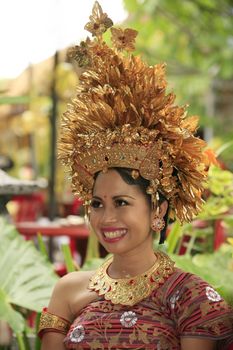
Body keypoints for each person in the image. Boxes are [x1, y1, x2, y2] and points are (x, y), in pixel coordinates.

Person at [38, 2, 233, 349]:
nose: (106, 217)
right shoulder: (68, 291)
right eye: (97, 203)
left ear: (157, 210)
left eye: (122, 202)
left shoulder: (192, 297)